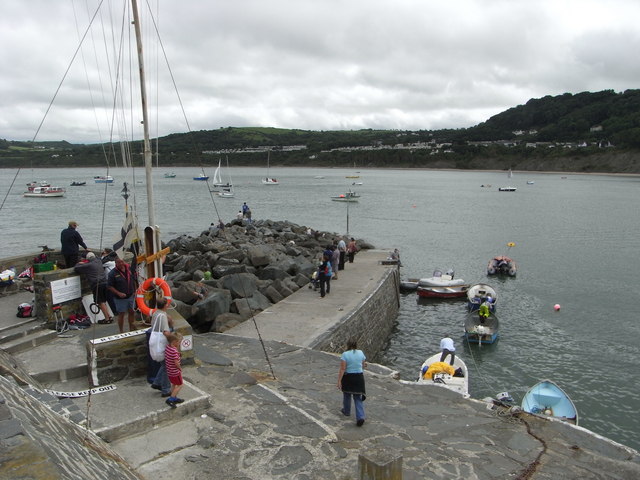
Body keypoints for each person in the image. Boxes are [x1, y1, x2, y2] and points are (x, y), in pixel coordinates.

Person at [74, 252, 113, 324]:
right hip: (104, 283)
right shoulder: (99, 261)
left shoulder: (89, 265)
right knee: (103, 301)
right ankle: (109, 316)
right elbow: (98, 258)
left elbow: (76, 268)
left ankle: (107, 319)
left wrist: (81, 263)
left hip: (97, 284)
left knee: (100, 302)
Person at [337, 337, 367, 427]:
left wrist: (339, 381)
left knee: (347, 395)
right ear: (356, 345)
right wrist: (364, 364)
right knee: (357, 397)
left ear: (348, 345)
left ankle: (346, 411)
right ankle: (360, 417)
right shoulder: (361, 352)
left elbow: (343, 368)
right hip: (359, 377)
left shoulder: (345, 354)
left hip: (348, 377)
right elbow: (363, 365)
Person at [149, 297, 174, 395]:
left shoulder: (155, 313)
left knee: (163, 365)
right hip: (161, 343)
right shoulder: (163, 316)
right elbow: (166, 332)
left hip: (154, 340)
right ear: (166, 305)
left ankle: (157, 382)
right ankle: (166, 389)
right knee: (167, 366)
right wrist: (174, 340)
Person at [107, 257, 137, 333]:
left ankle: (131, 328)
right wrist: (118, 293)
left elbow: (134, 279)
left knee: (132, 312)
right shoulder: (112, 273)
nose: (121, 264)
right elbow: (109, 286)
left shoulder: (129, 269)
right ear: (115, 263)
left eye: (122, 262)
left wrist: (135, 290)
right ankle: (121, 331)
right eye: (119, 262)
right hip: (120, 298)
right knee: (121, 314)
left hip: (130, 295)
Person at [164, 332, 184, 408]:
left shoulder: (168, 347)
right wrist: (180, 368)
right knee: (180, 385)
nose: (180, 344)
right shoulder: (174, 351)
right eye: (179, 342)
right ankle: (171, 399)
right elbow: (176, 363)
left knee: (174, 384)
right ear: (175, 342)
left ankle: (174, 397)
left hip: (169, 371)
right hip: (175, 372)